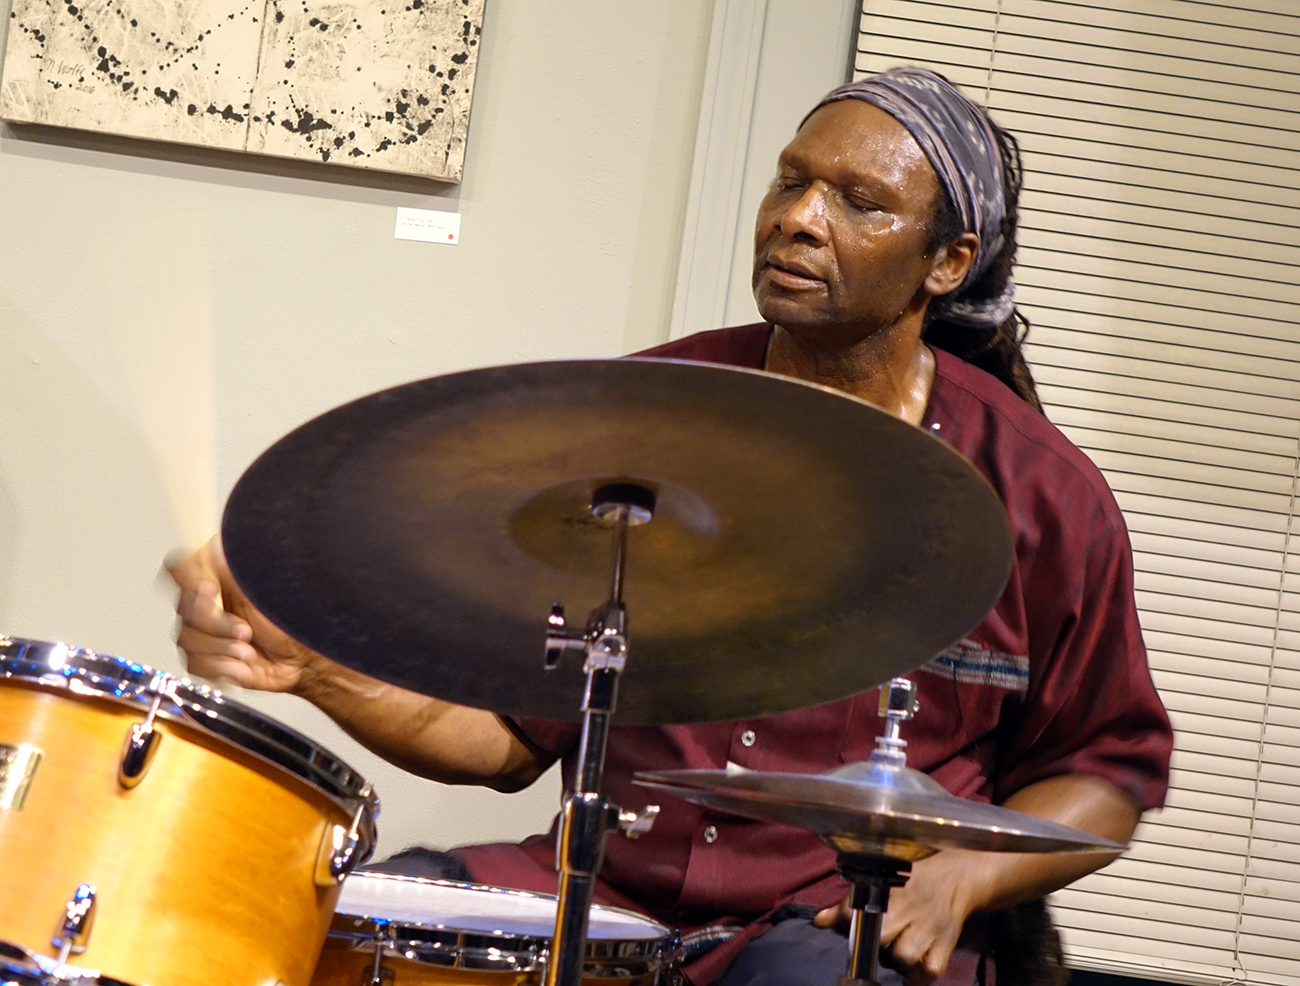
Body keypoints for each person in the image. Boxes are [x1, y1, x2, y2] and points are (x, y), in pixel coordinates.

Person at [169, 68, 1172, 986]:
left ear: (946, 262)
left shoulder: (1042, 495)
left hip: (828, 924)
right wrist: (310, 665)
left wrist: (958, 877)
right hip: (605, 888)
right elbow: (512, 737)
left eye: (857, 202)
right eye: (788, 183)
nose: (798, 220)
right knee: (335, 928)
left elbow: (1104, 772)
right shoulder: (644, 417)